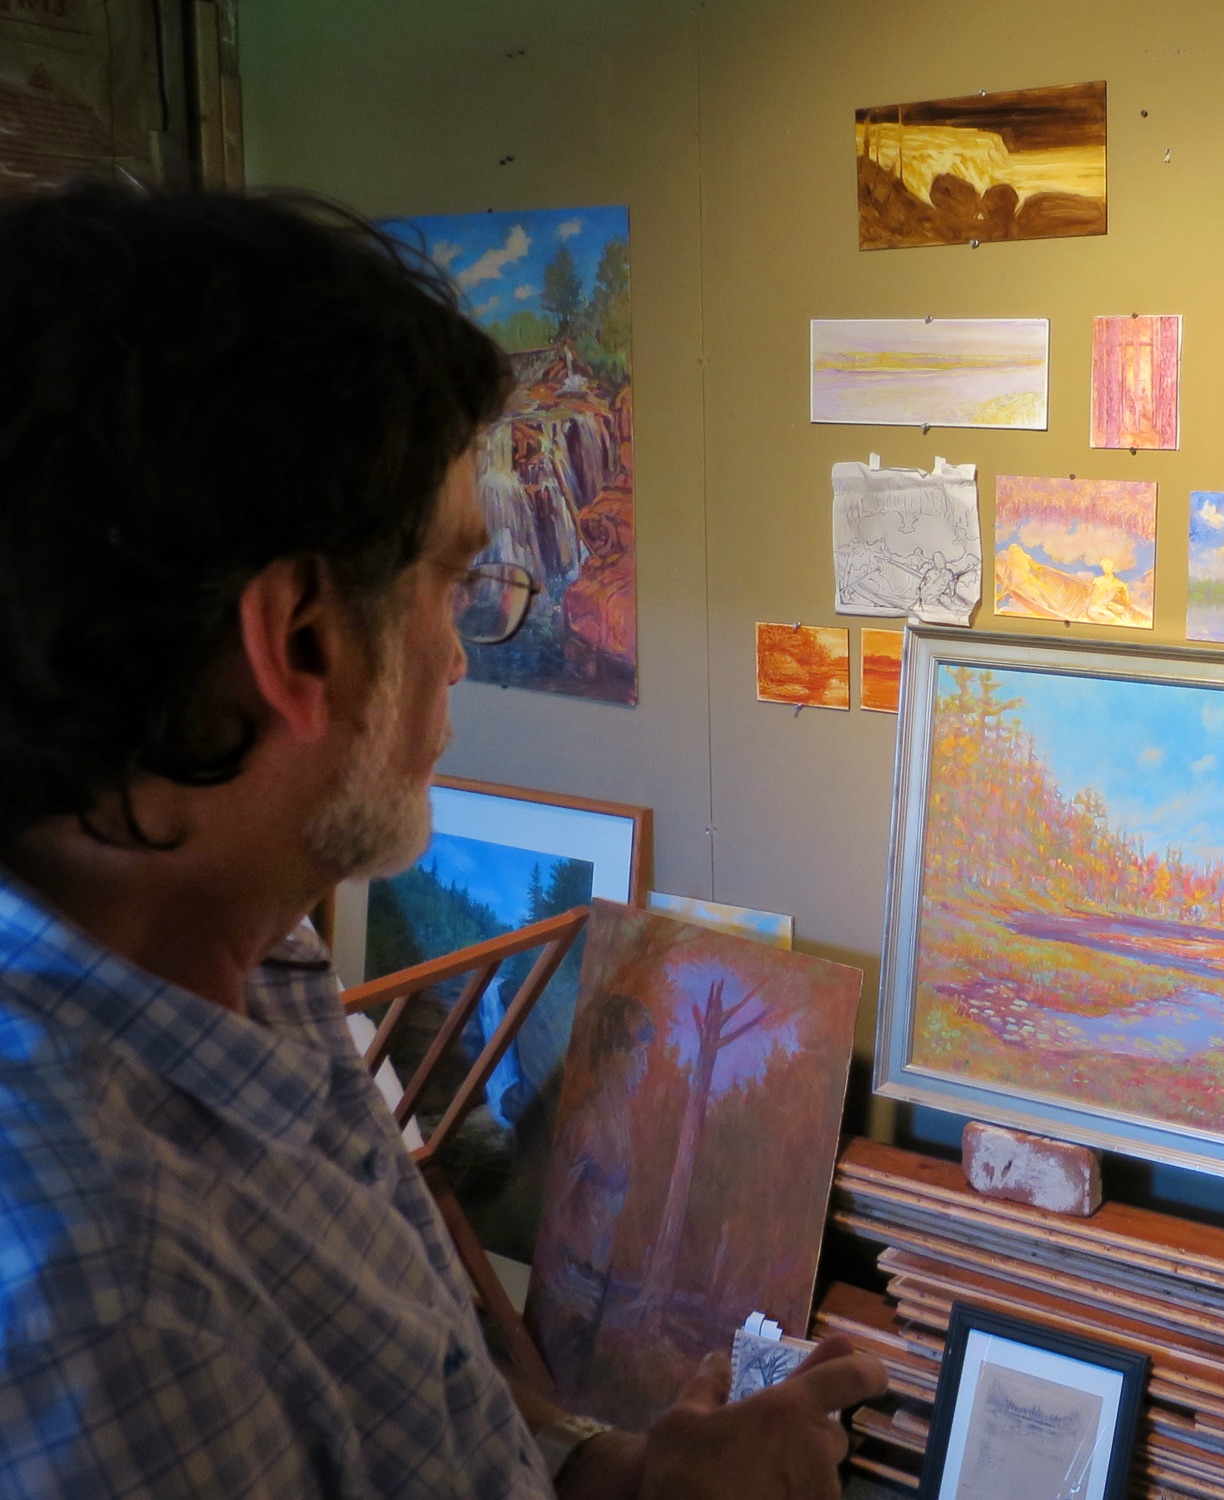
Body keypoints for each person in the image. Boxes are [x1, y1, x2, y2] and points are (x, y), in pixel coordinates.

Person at [0, 182, 885, 1497]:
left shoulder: (251, 963)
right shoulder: (109, 1306)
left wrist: (623, 1482)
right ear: (298, 640)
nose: (463, 652)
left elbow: (419, 1414)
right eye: (452, 582)